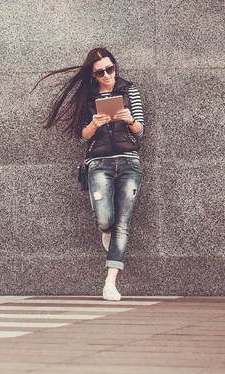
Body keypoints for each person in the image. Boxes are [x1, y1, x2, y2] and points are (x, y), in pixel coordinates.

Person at [32, 47, 145, 301]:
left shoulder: (130, 90)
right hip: (98, 163)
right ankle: (108, 234)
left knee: (123, 224)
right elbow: (82, 139)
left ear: (115, 66)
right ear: (92, 75)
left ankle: (110, 282)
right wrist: (94, 124)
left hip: (129, 163)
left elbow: (140, 131)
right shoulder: (88, 97)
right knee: (106, 221)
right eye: (100, 72)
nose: (107, 75)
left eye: (110, 69)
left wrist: (129, 120)